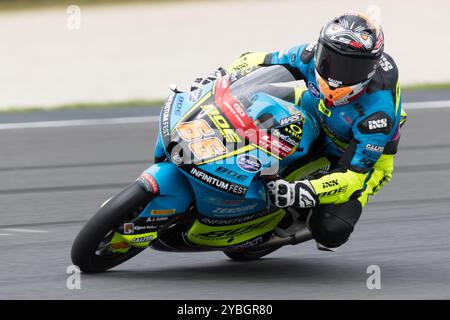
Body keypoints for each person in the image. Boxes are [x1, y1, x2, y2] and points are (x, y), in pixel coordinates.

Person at [191, 12, 407, 250]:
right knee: (250, 97)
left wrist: (306, 191)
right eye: (330, 61)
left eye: (350, 69)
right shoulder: (309, 54)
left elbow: (354, 177)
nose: (336, 76)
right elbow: (256, 60)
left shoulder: (378, 114)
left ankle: (292, 218)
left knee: (331, 230)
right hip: (313, 110)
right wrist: (220, 77)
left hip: (354, 152)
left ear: (370, 69)